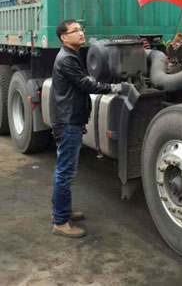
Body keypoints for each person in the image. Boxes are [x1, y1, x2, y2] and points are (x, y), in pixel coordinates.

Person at [51, 19, 121, 238]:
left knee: (66, 171)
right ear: (64, 37)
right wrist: (112, 87)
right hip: (68, 121)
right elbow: (85, 84)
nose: (81, 33)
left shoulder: (71, 55)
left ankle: (63, 212)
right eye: (75, 31)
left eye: (81, 29)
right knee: (65, 172)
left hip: (69, 118)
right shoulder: (66, 59)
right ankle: (61, 222)